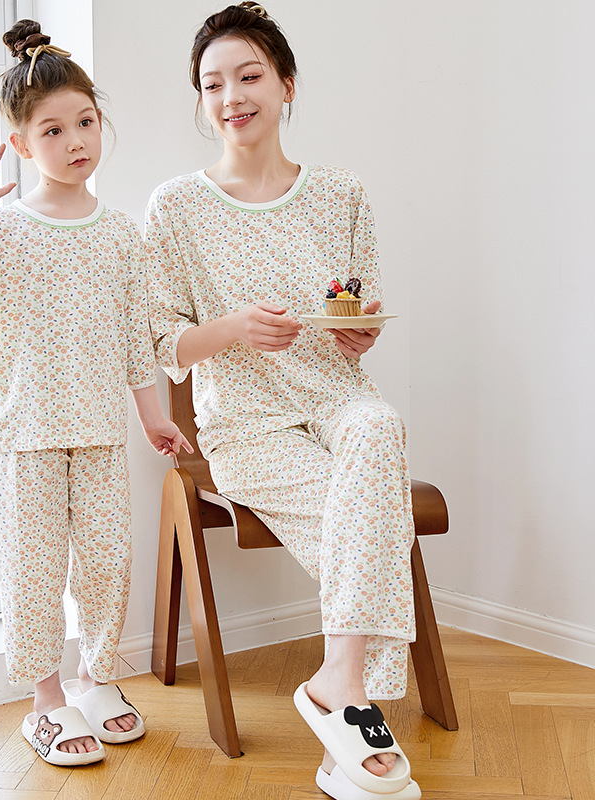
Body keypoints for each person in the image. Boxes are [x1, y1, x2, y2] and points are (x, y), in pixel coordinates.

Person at [145, 4, 420, 798]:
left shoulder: (342, 193)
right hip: (246, 424)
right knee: (373, 517)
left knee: (380, 425)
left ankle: (339, 680)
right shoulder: (176, 207)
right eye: (213, 84)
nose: (231, 95)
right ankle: (350, 702)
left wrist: (357, 335)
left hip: (336, 399)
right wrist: (233, 328)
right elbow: (162, 344)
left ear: (287, 84)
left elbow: (355, 313)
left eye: (249, 75)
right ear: (201, 100)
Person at [0, 19, 191, 767]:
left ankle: (96, 680)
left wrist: (154, 418)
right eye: (53, 130)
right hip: (31, 434)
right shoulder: (7, 228)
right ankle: (45, 699)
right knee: (35, 571)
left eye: (85, 121)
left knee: (107, 565)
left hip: (102, 432)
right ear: (21, 144)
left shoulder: (123, 234)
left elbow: (136, 338)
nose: (75, 140)